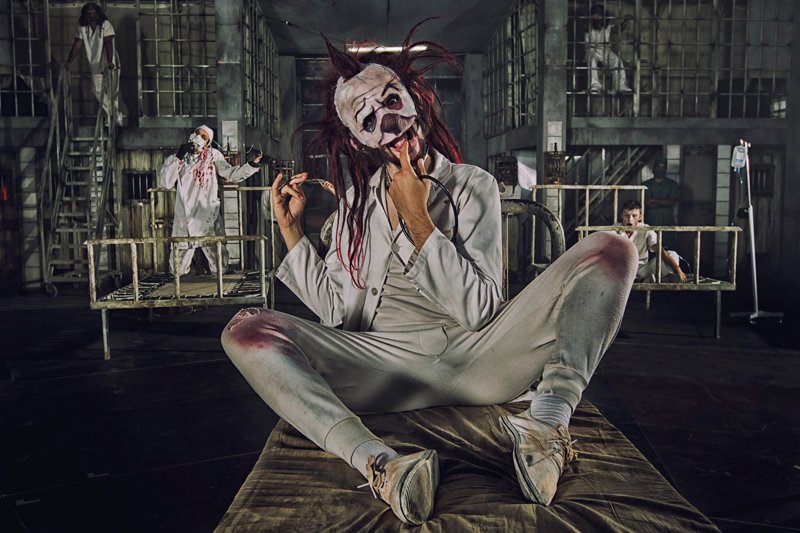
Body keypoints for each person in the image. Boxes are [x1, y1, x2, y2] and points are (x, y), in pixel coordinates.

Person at [221, 26, 637, 526]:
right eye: (368, 119)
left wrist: (418, 220)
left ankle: (547, 425)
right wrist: (292, 232)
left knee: (613, 249)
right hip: (381, 369)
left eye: (391, 100)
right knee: (246, 330)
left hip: (481, 358)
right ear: (357, 138)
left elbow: (480, 310)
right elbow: (336, 312)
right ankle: (381, 463)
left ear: (416, 100)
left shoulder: (472, 185)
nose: (388, 121)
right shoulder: (355, 203)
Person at [159, 125, 262, 275]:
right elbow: (166, 183)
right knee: (177, 267)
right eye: (197, 134)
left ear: (208, 143)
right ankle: (181, 287)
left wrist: (252, 165)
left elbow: (230, 173)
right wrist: (179, 156)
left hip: (207, 217)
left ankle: (221, 286)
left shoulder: (213, 156)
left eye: (204, 137)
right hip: (184, 218)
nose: (198, 138)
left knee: (219, 264)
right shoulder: (177, 158)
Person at [64, 3, 124, 126]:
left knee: (112, 91)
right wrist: (69, 61)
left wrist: (110, 61)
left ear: (98, 13)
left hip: (109, 61)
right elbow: (77, 44)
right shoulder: (82, 27)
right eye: (89, 12)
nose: (92, 14)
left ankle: (111, 117)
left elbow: (108, 42)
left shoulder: (105, 24)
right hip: (95, 63)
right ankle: (114, 115)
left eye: (94, 12)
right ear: (85, 14)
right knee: (96, 90)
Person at [620, 200, 687, 282]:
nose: (630, 220)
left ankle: (647, 280)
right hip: (620, 271)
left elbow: (659, 250)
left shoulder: (645, 229)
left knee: (672, 254)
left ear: (640, 217)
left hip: (641, 270)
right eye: (626, 216)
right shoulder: (614, 229)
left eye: (634, 216)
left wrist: (678, 270)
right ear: (621, 216)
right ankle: (653, 280)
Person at [585, 3, 633, 94]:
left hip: (606, 52)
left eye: (600, 13)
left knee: (617, 61)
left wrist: (625, 21)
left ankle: (621, 86)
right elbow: (585, 23)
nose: (598, 16)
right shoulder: (588, 26)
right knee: (592, 60)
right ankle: (594, 86)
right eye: (596, 13)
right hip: (592, 51)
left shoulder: (607, 27)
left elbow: (619, 29)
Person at [642, 155, 680, 249]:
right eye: (658, 167)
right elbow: (647, 202)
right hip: (651, 221)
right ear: (654, 168)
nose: (660, 169)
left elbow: (671, 202)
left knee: (669, 250)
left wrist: (653, 200)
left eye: (663, 167)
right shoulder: (646, 185)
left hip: (667, 222)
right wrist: (664, 202)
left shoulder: (672, 184)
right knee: (651, 246)